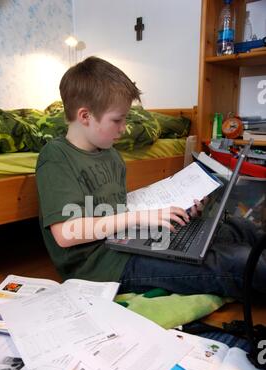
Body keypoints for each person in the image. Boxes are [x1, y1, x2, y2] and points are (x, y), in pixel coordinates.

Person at [36, 56, 266, 301]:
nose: (123, 128)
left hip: (130, 240)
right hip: (104, 266)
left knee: (235, 229)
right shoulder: (56, 157)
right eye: (117, 119)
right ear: (85, 116)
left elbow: (115, 208)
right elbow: (65, 233)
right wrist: (139, 217)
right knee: (238, 262)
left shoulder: (110, 154)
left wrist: (177, 208)